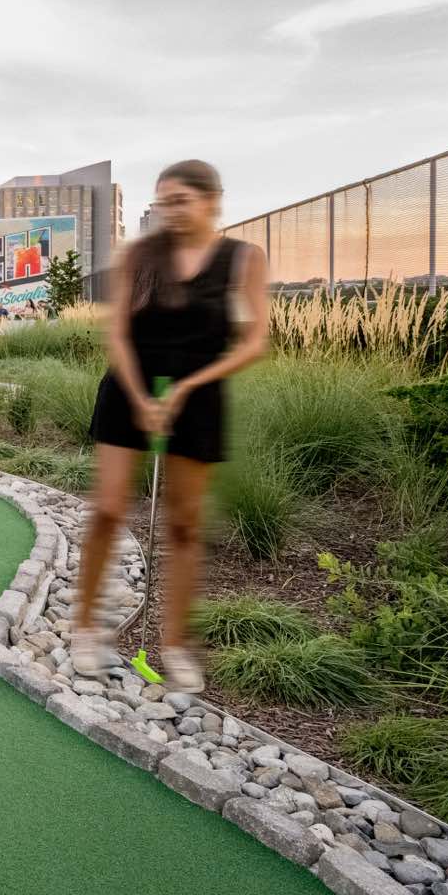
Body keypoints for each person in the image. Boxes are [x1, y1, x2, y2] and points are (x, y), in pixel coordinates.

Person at [72, 160, 269, 691]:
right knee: (109, 509)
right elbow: (115, 334)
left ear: (212, 200)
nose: (171, 211)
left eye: (182, 200)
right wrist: (140, 397)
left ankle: (176, 644)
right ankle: (86, 626)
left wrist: (185, 389)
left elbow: (254, 341)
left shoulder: (242, 259)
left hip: (199, 395)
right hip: (130, 386)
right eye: (163, 202)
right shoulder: (139, 255)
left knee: (184, 525)